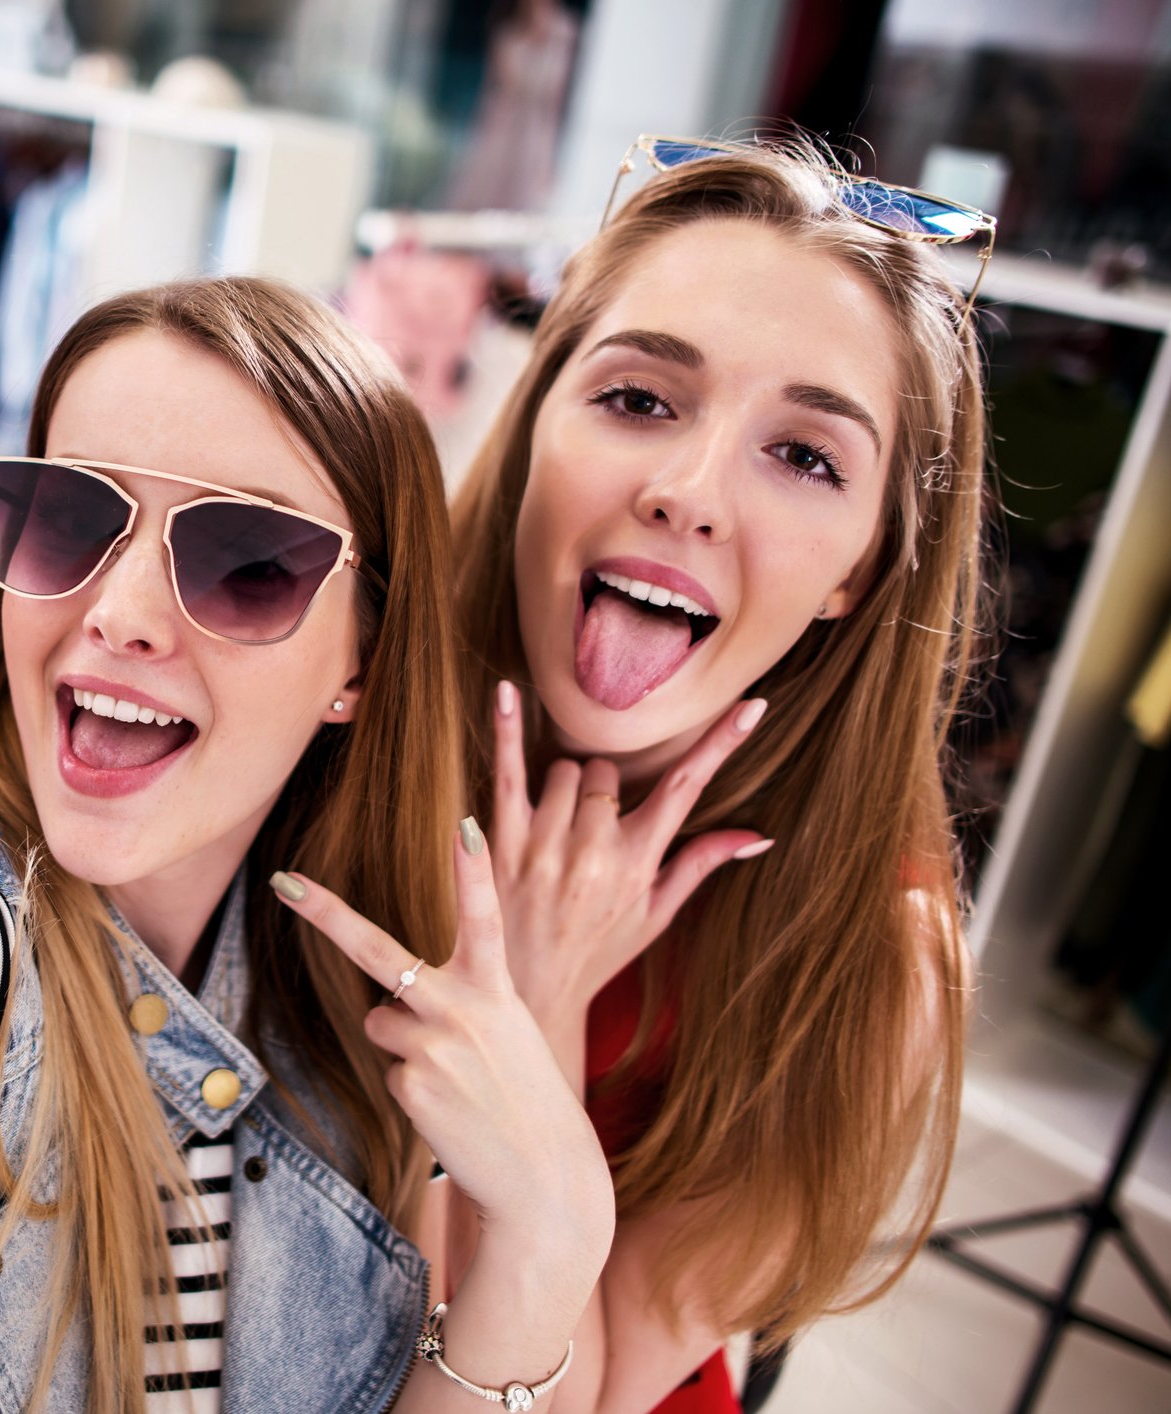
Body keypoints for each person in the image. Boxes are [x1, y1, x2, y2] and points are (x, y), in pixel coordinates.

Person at [0, 276, 614, 1412]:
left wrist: (553, 1229)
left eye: (245, 562)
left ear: (361, 665)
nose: (121, 611)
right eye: (69, 518)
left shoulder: (350, 1014)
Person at [444, 137, 990, 1410]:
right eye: (638, 399)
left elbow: (572, 1397)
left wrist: (533, 1013)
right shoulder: (335, 698)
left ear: (859, 566)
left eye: (804, 456)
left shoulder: (872, 951)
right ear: (535, 419)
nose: (687, 494)